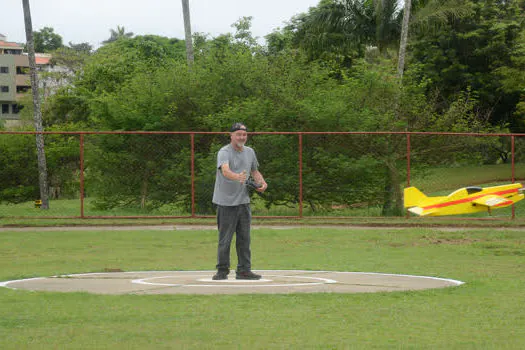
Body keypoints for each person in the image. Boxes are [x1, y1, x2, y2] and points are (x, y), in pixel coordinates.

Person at [212, 122, 268, 280]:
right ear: (231, 136)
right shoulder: (224, 152)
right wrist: (237, 177)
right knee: (225, 239)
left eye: (244, 134)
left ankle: (244, 270)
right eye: (238, 134)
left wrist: (262, 183)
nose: (242, 137)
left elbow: (254, 170)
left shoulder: (250, 151)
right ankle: (222, 270)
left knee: (244, 238)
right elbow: (225, 170)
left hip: (243, 202)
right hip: (225, 203)